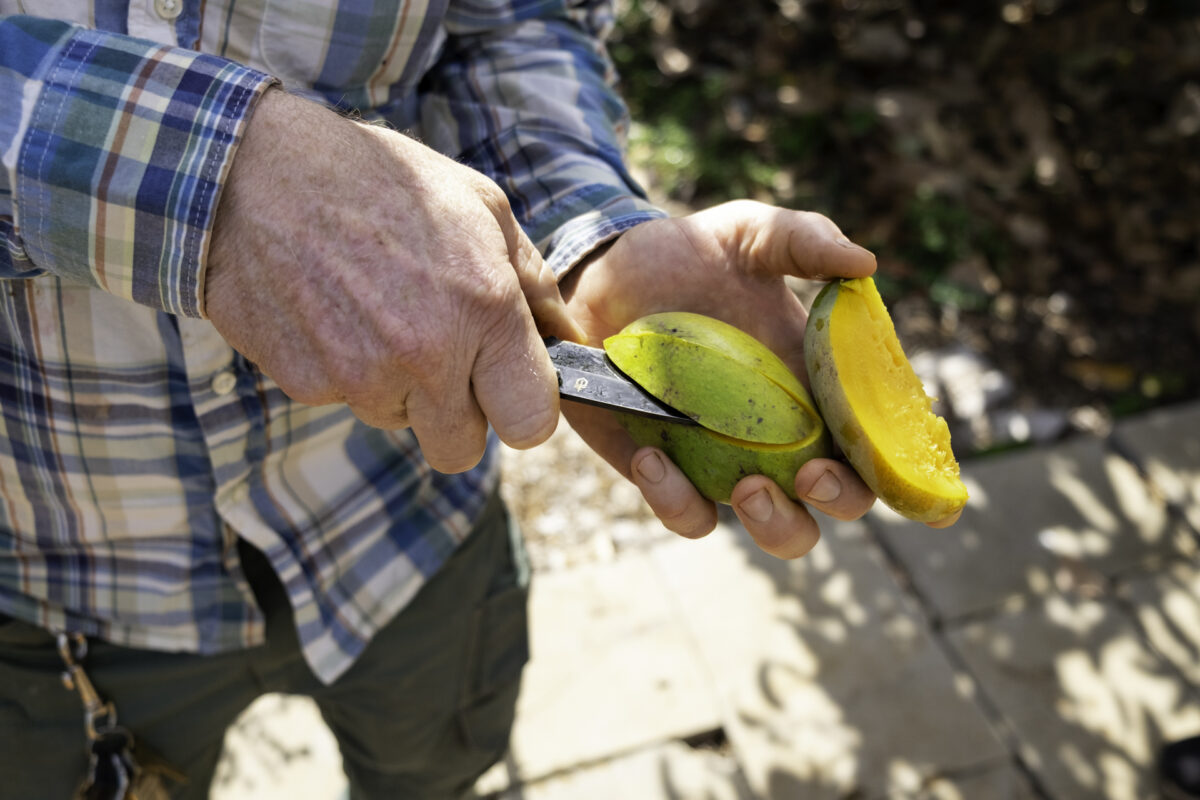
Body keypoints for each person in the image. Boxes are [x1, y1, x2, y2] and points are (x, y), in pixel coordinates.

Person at [0, 1, 926, 797]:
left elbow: (513, 22)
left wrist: (582, 238)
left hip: (404, 527)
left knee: (435, 769)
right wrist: (218, 180)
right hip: (52, 584)